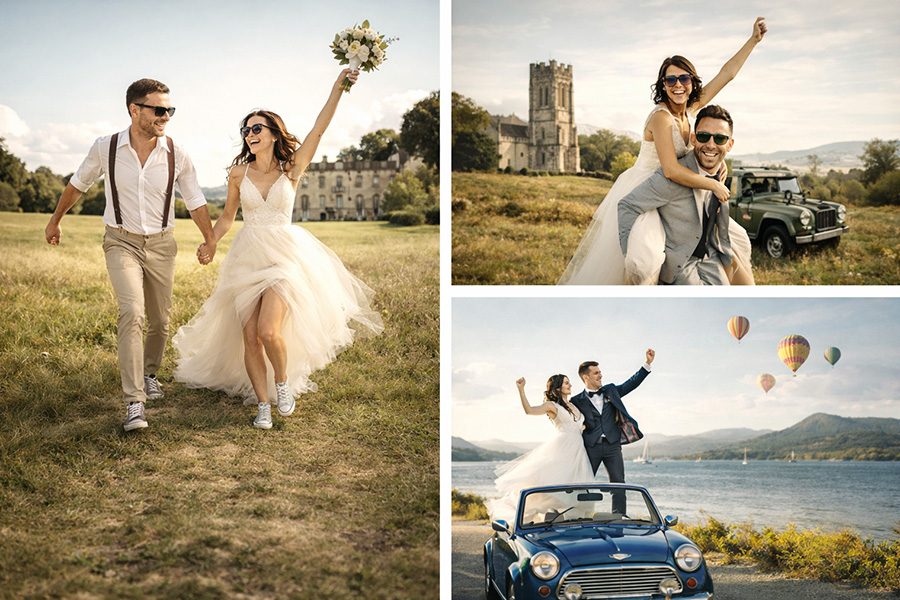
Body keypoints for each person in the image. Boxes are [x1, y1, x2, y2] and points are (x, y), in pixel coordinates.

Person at [172, 68, 383, 430]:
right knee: (250, 336)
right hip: (247, 255)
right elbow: (227, 217)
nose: (250, 134)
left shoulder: (292, 167)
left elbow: (319, 129)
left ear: (273, 133)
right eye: (246, 130)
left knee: (269, 331)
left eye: (257, 128)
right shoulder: (238, 173)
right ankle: (263, 405)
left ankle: (282, 385)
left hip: (284, 255)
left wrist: (338, 87)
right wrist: (210, 242)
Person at [45, 78, 217, 432]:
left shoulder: (177, 153)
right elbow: (78, 184)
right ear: (134, 110)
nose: (166, 116)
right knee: (132, 312)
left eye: (169, 110)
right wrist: (55, 220)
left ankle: (150, 373)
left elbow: (195, 199)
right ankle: (134, 402)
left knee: (160, 321)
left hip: (162, 244)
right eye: (159, 110)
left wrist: (210, 239)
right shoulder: (106, 147)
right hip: (120, 241)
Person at [558, 17, 767, 285]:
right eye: (671, 80)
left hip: (680, 189)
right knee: (645, 261)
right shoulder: (661, 117)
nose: (678, 85)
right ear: (663, 84)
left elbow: (727, 74)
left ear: (692, 82)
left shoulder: (690, 110)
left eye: (684, 78)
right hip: (650, 190)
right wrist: (713, 184)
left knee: (736, 240)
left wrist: (753, 41)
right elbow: (669, 169)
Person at [618, 105, 737, 285]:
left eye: (720, 138)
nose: (711, 144)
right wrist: (631, 254)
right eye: (704, 137)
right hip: (678, 266)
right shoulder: (670, 179)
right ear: (693, 139)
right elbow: (627, 205)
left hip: (710, 258)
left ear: (729, 144)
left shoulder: (720, 172)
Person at [483, 375, 595, 523]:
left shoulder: (573, 406)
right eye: (566, 383)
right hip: (562, 449)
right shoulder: (552, 406)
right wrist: (521, 389)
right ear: (557, 388)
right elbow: (529, 410)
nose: (570, 385)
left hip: (578, 451)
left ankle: (566, 522)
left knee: (574, 491)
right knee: (552, 486)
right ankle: (526, 517)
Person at [570, 350, 653, 513]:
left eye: (600, 372)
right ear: (586, 377)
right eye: (596, 373)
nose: (600, 375)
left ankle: (619, 516)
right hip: (591, 447)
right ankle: (579, 515)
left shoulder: (611, 390)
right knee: (583, 483)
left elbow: (631, 383)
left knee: (618, 483)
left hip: (613, 446)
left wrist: (647, 364)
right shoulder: (576, 401)